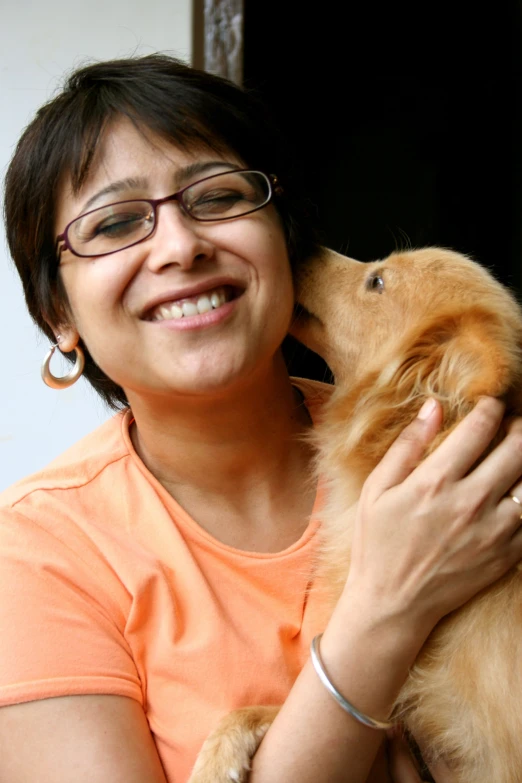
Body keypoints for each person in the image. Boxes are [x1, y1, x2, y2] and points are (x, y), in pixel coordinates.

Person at [1, 54, 522, 783]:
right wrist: (386, 611)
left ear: (285, 234)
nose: (181, 247)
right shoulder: (36, 555)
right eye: (116, 222)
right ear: (58, 313)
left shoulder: (464, 468)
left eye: (216, 197)